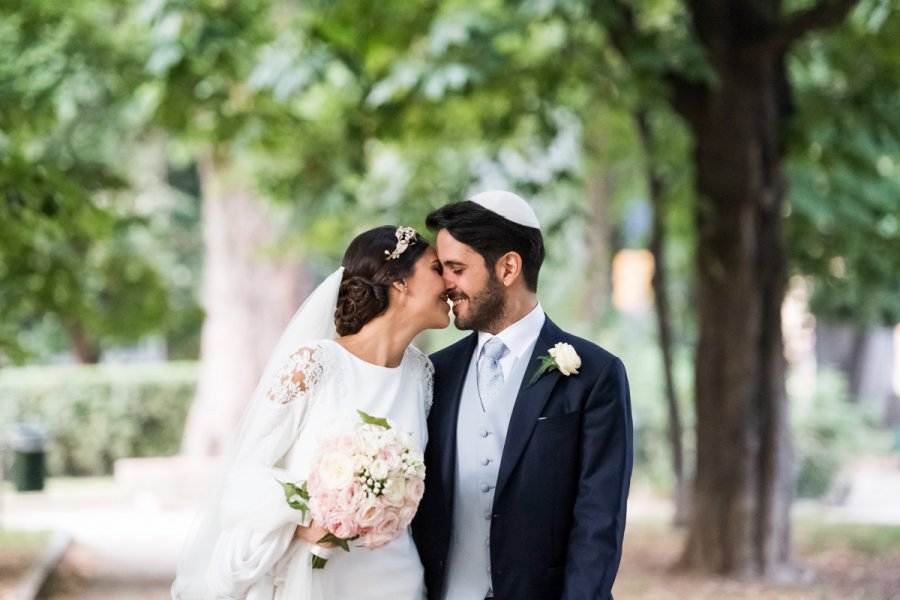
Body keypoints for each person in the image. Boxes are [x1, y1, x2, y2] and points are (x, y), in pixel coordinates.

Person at [172, 225, 450, 600]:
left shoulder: (422, 375)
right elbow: (242, 480)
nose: (449, 281)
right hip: (321, 580)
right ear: (399, 283)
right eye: (437, 269)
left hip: (398, 580)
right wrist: (311, 516)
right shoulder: (316, 365)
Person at [412, 191, 633, 600]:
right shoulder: (433, 373)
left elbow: (598, 522)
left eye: (457, 269)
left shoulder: (596, 375)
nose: (446, 284)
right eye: (443, 269)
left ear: (509, 267)